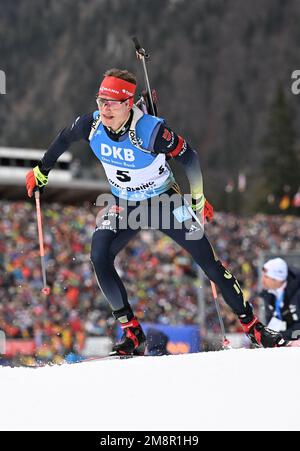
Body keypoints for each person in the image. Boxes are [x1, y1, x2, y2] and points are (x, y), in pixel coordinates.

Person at [26, 68, 288, 356]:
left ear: (129, 104)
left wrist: (198, 199)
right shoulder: (91, 125)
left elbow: (190, 159)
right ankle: (132, 332)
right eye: (101, 101)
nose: (105, 109)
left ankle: (254, 328)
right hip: (125, 205)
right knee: (99, 255)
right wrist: (42, 170)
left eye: (113, 103)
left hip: (164, 203)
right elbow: (63, 138)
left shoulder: (150, 131)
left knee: (209, 264)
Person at [260, 258, 300, 340]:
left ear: (277, 279)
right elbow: (271, 321)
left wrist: (282, 336)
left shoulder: (297, 293)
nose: (262, 280)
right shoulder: (269, 294)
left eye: (266, 277)